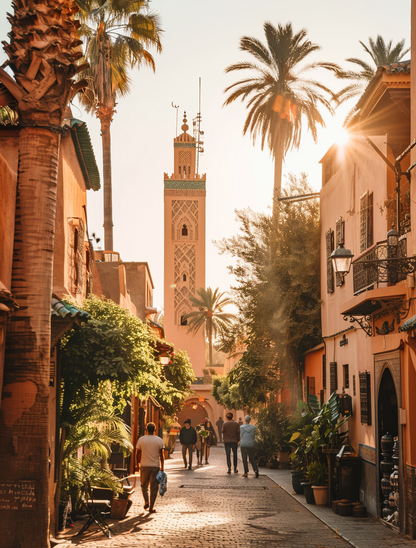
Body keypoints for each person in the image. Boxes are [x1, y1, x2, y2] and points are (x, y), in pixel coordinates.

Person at [136, 422, 164, 513]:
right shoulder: (159, 440)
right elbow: (161, 455)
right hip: (155, 466)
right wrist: (162, 466)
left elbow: (137, 454)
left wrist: (138, 465)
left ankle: (146, 501)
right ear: (155, 429)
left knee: (144, 485)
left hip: (144, 465)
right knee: (154, 487)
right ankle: (151, 507)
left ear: (146, 429)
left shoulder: (141, 439)